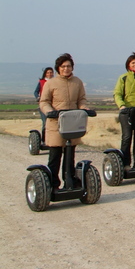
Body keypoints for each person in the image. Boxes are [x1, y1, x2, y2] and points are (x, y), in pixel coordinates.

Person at [38, 54, 89, 190]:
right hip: (56, 123)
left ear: (72, 67)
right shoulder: (51, 83)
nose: (66, 69)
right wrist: (49, 111)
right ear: (58, 68)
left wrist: (84, 108)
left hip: (72, 123)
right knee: (55, 156)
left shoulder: (77, 82)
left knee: (70, 155)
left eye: (69, 66)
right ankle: (53, 185)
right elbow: (44, 102)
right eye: (63, 66)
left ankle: (70, 182)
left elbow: (82, 99)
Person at [33, 67, 54, 144]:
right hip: (43, 105)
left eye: (51, 72)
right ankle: (44, 140)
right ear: (45, 74)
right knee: (45, 123)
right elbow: (36, 92)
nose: (49, 74)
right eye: (48, 73)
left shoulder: (55, 82)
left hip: (54, 105)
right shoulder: (41, 82)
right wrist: (38, 98)